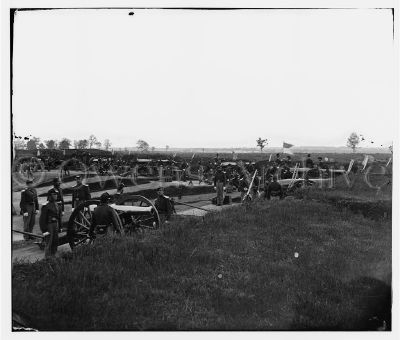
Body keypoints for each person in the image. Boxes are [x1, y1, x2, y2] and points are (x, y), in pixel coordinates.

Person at [39, 190, 62, 258]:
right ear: (49, 196)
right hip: (49, 225)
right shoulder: (46, 206)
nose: (55, 196)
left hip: (55, 225)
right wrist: (44, 230)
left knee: (55, 242)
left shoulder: (57, 205)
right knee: (49, 242)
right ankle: (47, 258)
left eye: (56, 194)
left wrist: (60, 226)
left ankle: (53, 256)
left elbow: (59, 217)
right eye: (53, 194)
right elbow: (42, 219)